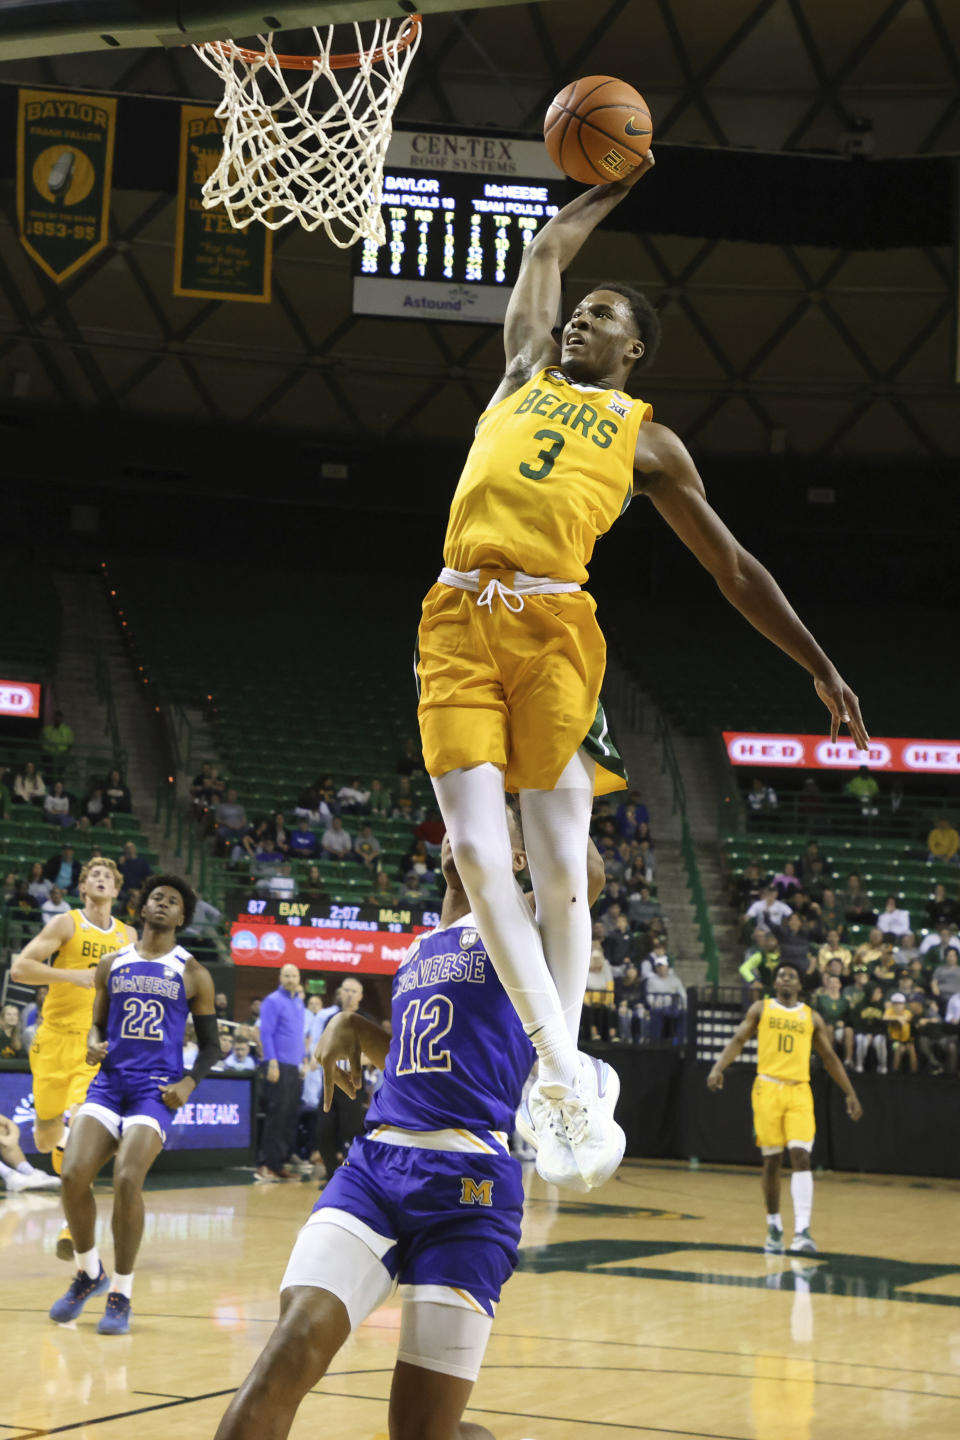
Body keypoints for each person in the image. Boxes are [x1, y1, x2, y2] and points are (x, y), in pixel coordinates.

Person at [413, 157, 868, 1191]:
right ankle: (564, 1070)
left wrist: (820, 665)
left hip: (556, 629)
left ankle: (559, 1075)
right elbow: (541, 251)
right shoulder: (522, 373)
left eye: (607, 315)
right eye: (583, 309)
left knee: (563, 868)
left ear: (636, 349)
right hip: (455, 615)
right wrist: (616, 180)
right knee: (479, 857)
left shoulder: (647, 438)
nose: (583, 319)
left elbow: (734, 568)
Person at [212, 808, 608, 1440]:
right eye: (457, 813)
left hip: (470, 1186)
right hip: (374, 1170)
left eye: (483, 815)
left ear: (518, 856)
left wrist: (538, 770)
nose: (462, 822)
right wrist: (350, 1026)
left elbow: (584, 869)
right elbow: (411, 1055)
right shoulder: (420, 946)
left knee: (423, 1433)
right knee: (279, 1364)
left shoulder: (528, 922)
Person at [47, 873, 217, 1334]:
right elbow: (97, 1025)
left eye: (173, 902)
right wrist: (93, 1043)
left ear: (182, 917)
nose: (163, 904)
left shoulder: (192, 971)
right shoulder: (112, 963)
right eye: (157, 898)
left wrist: (188, 1084)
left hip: (155, 1090)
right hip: (109, 1083)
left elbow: (211, 1046)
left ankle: (121, 1292)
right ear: (142, 909)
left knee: (126, 1178)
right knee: (72, 1174)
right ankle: (88, 1273)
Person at [10, 857, 135, 1249]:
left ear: (116, 890)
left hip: (94, 1045)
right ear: (83, 888)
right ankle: (50, 1136)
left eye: (107, 877)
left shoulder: (128, 936)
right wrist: (73, 976)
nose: (100, 880)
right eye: (93, 876)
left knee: (80, 1127)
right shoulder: (67, 923)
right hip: (52, 1039)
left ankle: (71, 1225)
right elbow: (20, 969)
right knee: (47, 1139)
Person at [708, 961, 862, 1255]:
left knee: (801, 1155)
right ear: (775, 984)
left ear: (800, 985)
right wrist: (718, 1067)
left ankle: (803, 1230)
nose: (786, 980)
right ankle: (774, 1224)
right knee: (772, 1161)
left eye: (791, 976)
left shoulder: (811, 1017)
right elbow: (739, 1039)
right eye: (781, 976)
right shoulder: (761, 1009)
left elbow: (829, 1057)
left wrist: (850, 1093)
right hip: (767, 1089)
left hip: (799, 1091)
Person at [312, 977, 370, 1181]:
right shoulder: (331, 1019)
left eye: (354, 991)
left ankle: (353, 1178)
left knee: (351, 1131)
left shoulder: (366, 1020)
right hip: (330, 1084)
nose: (349, 994)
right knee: (323, 1131)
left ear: (360, 996)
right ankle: (330, 1176)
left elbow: (373, 1055)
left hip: (353, 1085)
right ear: (340, 993)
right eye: (346, 990)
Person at [256, 963, 307, 1183]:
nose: (290, 979)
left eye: (294, 975)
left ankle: (280, 1163)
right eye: (286, 975)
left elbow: (298, 1035)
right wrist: (272, 1063)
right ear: (280, 977)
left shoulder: (298, 1002)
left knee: (289, 1117)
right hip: (278, 1066)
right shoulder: (272, 1001)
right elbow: (266, 1034)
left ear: (299, 978)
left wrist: (303, 1060)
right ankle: (266, 1165)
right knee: (276, 1116)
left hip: (294, 1068)